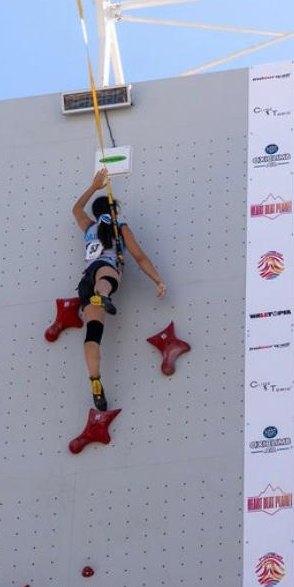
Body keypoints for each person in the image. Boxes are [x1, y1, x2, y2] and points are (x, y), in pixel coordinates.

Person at [71, 168, 167, 409]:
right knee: (108, 274)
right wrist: (157, 280)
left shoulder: (89, 227)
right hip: (105, 271)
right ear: (114, 212)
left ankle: (95, 379)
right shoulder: (120, 227)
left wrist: (94, 186)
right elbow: (139, 257)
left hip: (86, 279)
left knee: (93, 333)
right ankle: (103, 296)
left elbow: (76, 209)